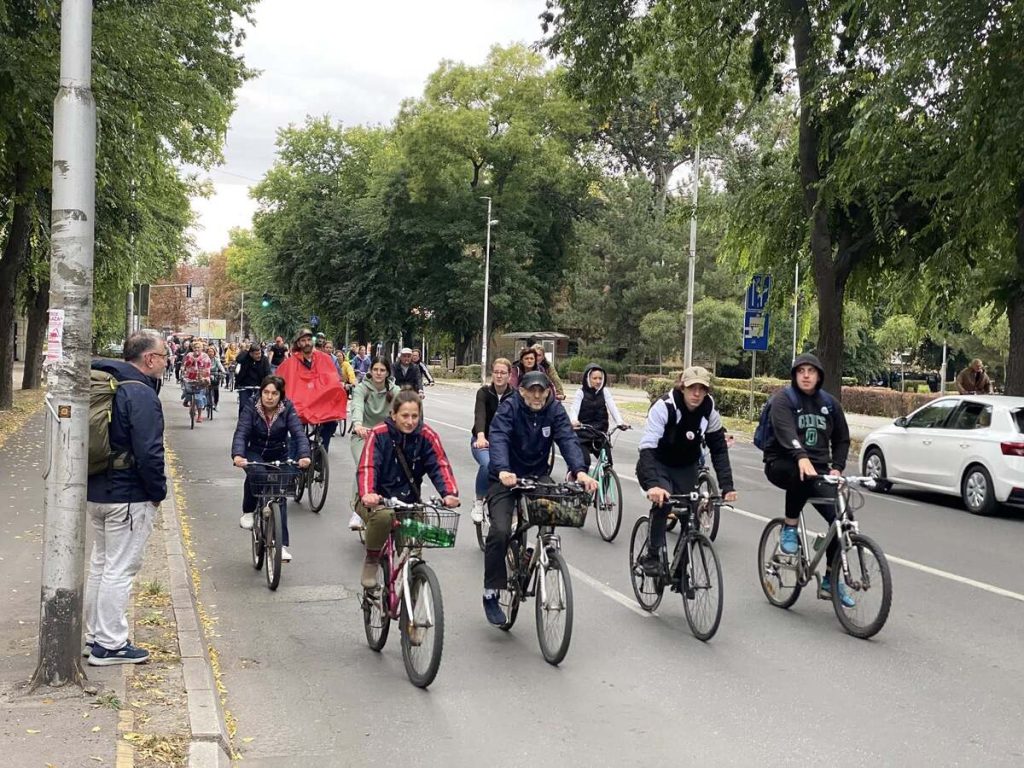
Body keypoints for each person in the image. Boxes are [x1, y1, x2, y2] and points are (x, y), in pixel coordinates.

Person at [483, 371, 598, 625]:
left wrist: (580, 471)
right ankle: (491, 592)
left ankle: (536, 552)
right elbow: (499, 437)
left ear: (548, 392)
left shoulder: (554, 410)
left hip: (536, 475)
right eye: (531, 391)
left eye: (541, 391)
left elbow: (567, 438)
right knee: (500, 531)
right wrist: (502, 469)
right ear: (522, 391)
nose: (537, 396)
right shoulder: (510, 407)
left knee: (552, 512)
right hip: (505, 477)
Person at [85, 331, 168, 665]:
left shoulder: (108, 382)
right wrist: (157, 492)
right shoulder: (140, 393)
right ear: (149, 358)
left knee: (101, 565)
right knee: (119, 570)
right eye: (164, 356)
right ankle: (110, 644)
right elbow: (149, 452)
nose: (166, 362)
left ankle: (95, 636)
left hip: (97, 489)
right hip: (128, 495)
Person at [762, 353, 854, 607]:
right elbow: (785, 430)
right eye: (801, 371)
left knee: (843, 518)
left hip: (818, 470)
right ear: (794, 375)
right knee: (799, 473)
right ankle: (789, 528)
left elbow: (842, 439)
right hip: (781, 462)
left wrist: (837, 468)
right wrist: (801, 456)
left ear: (819, 376)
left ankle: (830, 580)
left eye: (811, 371)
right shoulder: (784, 399)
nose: (805, 375)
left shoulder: (830, 404)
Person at [636, 366, 738, 580]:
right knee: (664, 503)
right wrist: (653, 485)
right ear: (682, 387)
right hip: (658, 462)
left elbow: (719, 448)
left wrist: (727, 486)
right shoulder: (665, 407)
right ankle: (652, 555)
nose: (697, 394)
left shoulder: (709, 409)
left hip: (685, 466)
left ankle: (681, 567)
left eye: (702, 389)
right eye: (692, 388)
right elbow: (647, 448)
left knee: (692, 513)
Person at [357, 391, 460, 588]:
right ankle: (372, 559)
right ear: (393, 415)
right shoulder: (379, 434)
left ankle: (412, 595)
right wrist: (368, 493)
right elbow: (368, 466)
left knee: (414, 554)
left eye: (415, 416)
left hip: (408, 502)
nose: (410, 421)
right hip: (377, 500)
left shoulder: (427, 436)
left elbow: (439, 464)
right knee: (384, 516)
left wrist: (449, 493)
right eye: (405, 415)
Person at [232, 376, 311, 562]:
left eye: (274, 393)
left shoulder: (287, 408)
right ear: (261, 393)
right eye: (266, 392)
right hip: (255, 452)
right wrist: (238, 455)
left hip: (279, 453)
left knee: (279, 493)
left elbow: (298, 433)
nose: (269, 397)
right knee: (256, 473)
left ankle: (281, 546)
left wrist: (304, 455)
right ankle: (249, 511)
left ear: (280, 395)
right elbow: (241, 432)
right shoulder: (251, 407)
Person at [348, 357, 402, 530]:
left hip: (386, 437)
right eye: (376, 369)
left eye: (382, 370)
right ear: (370, 371)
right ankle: (357, 511)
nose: (378, 373)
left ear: (387, 372)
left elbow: (402, 411)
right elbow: (357, 406)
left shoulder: (395, 390)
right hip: (363, 435)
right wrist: (357, 425)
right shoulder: (362, 389)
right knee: (364, 466)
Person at [275, 328, 348, 453]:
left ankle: (322, 451)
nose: (307, 343)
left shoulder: (324, 359)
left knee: (332, 424)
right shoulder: (290, 363)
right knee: (296, 432)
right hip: (300, 406)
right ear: (298, 343)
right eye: (303, 340)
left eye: (309, 339)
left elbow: (332, 378)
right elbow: (279, 379)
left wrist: (340, 386)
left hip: (321, 405)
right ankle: (295, 460)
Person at [470, 358, 514, 524]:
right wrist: (481, 436)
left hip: (506, 443)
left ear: (509, 375)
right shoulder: (484, 393)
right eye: (496, 372)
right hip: (484, 440)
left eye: (503, 373)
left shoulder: (515, 395)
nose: (499, 376)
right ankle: (479, 501)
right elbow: (480, 415)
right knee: (487, 464)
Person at [569, 363, 626, 464]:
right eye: (594, 378)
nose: (598, 381)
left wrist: (620, 422)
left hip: (599, 434)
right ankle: (574, 473)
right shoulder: (580, 393)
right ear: (588, 378)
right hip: (583, 434)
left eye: (600, 378)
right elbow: (574, 409)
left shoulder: (605, 392)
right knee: (584, 462)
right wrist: (574, 420)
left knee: (607, 462)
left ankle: (606, 474)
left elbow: (613, 407)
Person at [234, 342, 272, 416]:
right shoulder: (245, 358)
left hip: (259, 386)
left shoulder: (264, 359)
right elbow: (238, 359)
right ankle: (242, 421)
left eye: (259, 353)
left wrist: (269, 383)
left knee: (262, 407)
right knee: (243, 406)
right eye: (256, 354)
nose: (259, 356)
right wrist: (246, 352)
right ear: (251, 354)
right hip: (245, 386)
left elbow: (268, 372)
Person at [181, 339, 211, 422]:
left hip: (201, 378)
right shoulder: (189, 355)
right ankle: (187, 400)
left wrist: (204, 376)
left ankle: (199, 416)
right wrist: (192, 360)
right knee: (187, 391)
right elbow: (186, 365)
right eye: (195, 347)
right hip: (190, 377)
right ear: (193, 348)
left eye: (198, 347)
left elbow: (207, 367)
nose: (197, 349)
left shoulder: (205, 356)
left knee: (199, 397)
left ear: (202, 348)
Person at [207, 344, 226, 411]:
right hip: (206, 374)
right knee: (205, 389)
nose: (210, 353)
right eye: (209, 352)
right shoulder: (205, 359)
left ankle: (216, 403)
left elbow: (220, 366)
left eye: (212, 352)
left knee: (216, 389)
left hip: (215, 375)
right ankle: (205, 402)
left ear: (214, 353)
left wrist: (223, 371)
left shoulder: (216, 360)